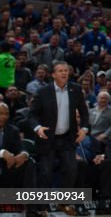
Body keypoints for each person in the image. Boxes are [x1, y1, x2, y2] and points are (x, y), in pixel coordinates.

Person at [29, 60, 91, 211]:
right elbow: (32, 115)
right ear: (53, 75)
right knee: (46, 174)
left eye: (66, 70)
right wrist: (38, 128)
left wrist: (84, 128)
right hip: (47, 139)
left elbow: (84, 113)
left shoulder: (75, 90)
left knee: (71, 169)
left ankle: (62, 202)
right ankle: (41, 208)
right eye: (60, 71)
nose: (64, 73)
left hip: (67, 138)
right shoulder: (43, 92)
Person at [0, 102, 41, 217]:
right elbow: (4, 153)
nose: (3, 117)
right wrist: (3, 153)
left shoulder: (13, 130)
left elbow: (21, 148)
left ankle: (31, 210)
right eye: (0, 113)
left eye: (6, 114)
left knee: (30, 163)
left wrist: (23, 154)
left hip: (7, 169)